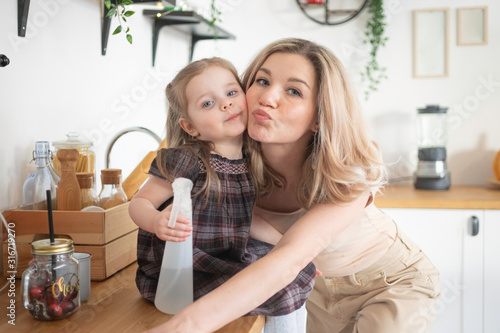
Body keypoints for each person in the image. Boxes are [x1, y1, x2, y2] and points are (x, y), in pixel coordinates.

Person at [144, 38, 441, 333]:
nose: (268, 97)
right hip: (308, 291)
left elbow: (291, 257)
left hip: (387, 283)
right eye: (262, 81)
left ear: (318, 116)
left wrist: (182, 327)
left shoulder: (352, 164)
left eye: (294, 91)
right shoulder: (225, 163)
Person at [128, 57, 316, 329]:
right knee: (277, 286)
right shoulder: (188, 160)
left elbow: (246, 221)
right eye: (208, 103)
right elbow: (140, 203)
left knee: (297, 271)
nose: (226, 104)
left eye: (231, 93)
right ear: (190, 127)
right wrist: (156, 222)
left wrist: (289, 248)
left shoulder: (250, 162)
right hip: (184, 268)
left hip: (227, 254)